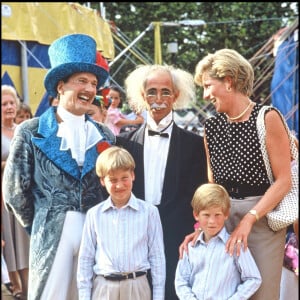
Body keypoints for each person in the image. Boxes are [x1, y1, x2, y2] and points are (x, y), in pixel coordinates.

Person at [2, 33, 115, 300]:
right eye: (81, 81)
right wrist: (43, 222)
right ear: (61, 86)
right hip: (51, 237)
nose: (89, 89)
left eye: (93, 83)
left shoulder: (105, 135)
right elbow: (14, 192)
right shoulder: (31, 131)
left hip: (96, 237)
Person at [179, 48, 292, 299]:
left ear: (228, 81)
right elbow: (213, 186)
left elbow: (284, 180)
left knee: (261, 293)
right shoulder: (211, 126)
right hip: (224, 219)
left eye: (208, 86)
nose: (206, 95)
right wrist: (203, 227)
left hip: (262, 221)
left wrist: (250, 218)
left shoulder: (267, 118)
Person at [116, 64, 208, 300]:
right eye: (152, 91)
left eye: (165, 91)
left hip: (178, 236)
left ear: (176, 96)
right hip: (135, 235)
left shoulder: (195, 145)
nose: (159, 98)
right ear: (142, 96)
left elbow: (200, 195)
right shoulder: (124, 144)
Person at [77, 146, 166, 300]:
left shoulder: (149, 212)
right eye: (112, 180)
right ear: (102, 181)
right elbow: (86, 258)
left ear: (132, 175)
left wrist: (158, 296)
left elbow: (157, 256)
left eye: (124, 178)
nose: (119, 185)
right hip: (104, 288)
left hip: (137, 286)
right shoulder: (94, 215)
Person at [175, 183, 262, 299]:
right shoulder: (190, 247)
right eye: (206, 215)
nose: (212, 221)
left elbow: (253, 279)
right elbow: (181, 281)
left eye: (217, 215)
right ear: (196, 215)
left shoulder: (235, 245)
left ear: (226, 214)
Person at [1, 84, 30, 300]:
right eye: (4, 104)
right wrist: (7, 164)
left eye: (11, 103)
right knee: (10, 242)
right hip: (3, 196)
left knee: (25, 243)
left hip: (25, 194)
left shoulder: (23, 130)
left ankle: (29, 289)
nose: (9, 107)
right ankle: (16, 285)